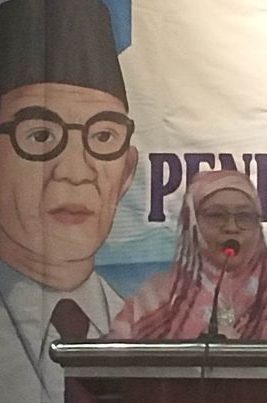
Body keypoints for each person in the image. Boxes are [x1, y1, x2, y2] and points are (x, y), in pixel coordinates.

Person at [0, 0, 138, 401]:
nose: (76, 172)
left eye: (103, 137)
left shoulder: (144, 329)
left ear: (127, 172)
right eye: (41, 135)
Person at [110, 170, 267, 340]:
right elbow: (116, 363)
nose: (231, 227)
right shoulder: (154, 299)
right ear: (192, 224)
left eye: (244, 216)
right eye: (216, 215)